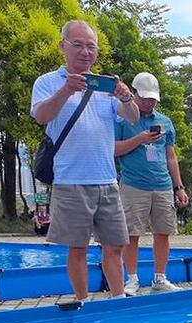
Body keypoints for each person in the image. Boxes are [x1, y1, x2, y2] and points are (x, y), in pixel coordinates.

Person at [31, 20, 139, 301]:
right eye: (77, 45)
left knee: (115, 246)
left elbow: (133, 118)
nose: (84, 52)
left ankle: (117, 299)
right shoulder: (47, 82)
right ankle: (82, 301)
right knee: (77, 247)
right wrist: (66, 90)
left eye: (91, 46)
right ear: (62, 46)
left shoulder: (106, 86)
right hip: (71, 179)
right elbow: (42, 116)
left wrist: (126, 98)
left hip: (106, 179)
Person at [114, 72, 189, 296]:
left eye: (152, 99)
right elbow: (114, 149)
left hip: (163, 185)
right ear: (134, 94)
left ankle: (160, 277)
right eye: (145, 97)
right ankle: (132, 279)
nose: (149, 102)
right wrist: (140, 139)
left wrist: (179, 186)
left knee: (163, 232)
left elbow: (171, 156)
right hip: (133, 184)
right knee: (132, 234)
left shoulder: (164, 121)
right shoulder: (122, 118)